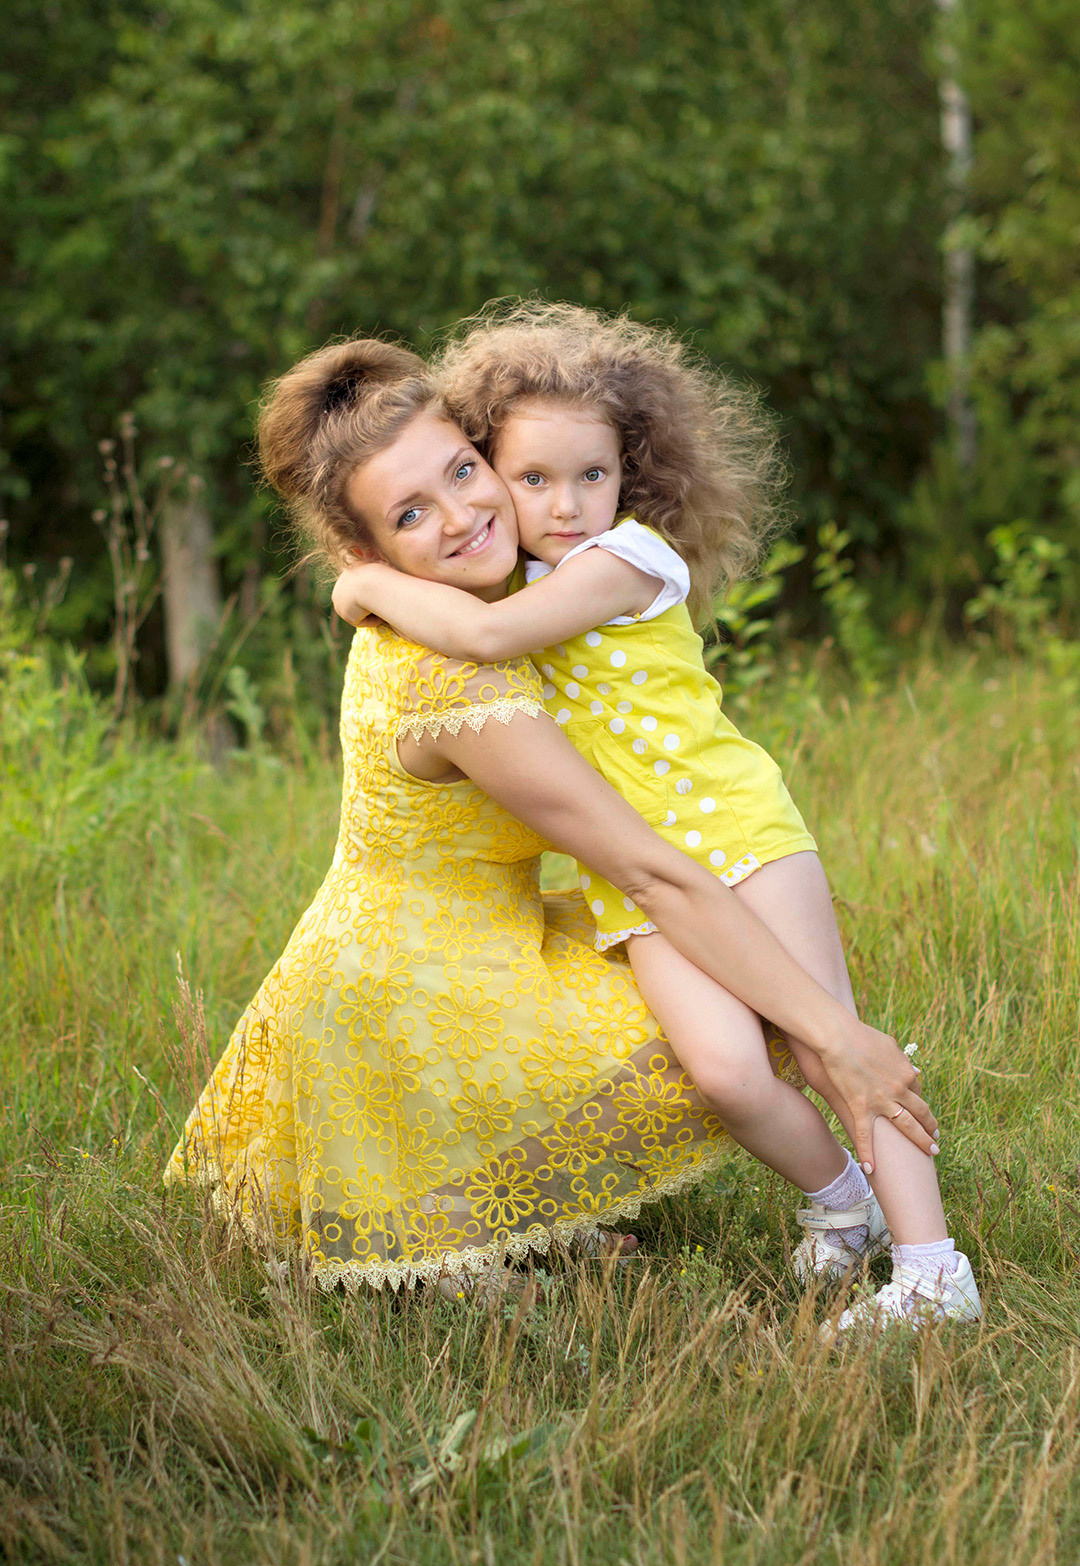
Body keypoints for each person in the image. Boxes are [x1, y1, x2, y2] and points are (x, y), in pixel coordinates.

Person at [329, 305, 980, 1330]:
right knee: (723, 1069)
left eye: (592, 474)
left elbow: (492, 636)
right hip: (632, 873)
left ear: (630, 474)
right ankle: (841, 1207)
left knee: (826, 1043)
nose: (568, 502)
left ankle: (935, 1268)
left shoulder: (626, 560)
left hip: (736, 829)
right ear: (494, 470)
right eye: (533, 479)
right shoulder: (517, 569)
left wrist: (362, 581)